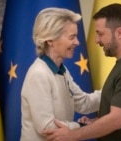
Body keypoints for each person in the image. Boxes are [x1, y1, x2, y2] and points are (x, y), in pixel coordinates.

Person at [43, 3, 121, 141]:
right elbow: (120, 112)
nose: (97, 40)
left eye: (100, 34)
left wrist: (73, 135)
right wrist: (94, 123)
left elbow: (116, 120)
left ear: (119, 33)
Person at [20, 7, 101, 141]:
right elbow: (47, 127)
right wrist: (81, 126)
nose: (77, 42)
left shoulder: (62, 71)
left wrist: (114, 90)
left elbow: (84, 103)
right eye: (72, 37)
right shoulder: (39, 74)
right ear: (50, 40)